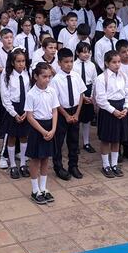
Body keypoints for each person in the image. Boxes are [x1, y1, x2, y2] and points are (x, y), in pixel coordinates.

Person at [24, 62, 59, 204]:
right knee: (35, 159)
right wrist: (43, 131)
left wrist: (53, 129)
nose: (47, 79)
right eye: (44, 76)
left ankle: (43, 188)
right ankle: (34, 189)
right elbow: (29, 116)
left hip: (49, 126)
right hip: (37, 128)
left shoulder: (52, 91)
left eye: (49, 76)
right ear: (36, 76)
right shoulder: (31, 94)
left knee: (45, 158)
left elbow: (55, 110)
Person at [94, 50, 128, 178]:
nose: (117, 65)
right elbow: (101, 99)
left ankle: (114, 164)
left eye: (119, 62)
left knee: (117, 139)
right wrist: (113, 111)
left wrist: (126, 108)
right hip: (108, 110)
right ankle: (106, 165)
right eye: (114, 62)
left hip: (121, 109)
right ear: (106, 63)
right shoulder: (101, 78)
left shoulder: (123, 76)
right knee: (106, 139)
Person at [49, 48, 85, 180]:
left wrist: (76, 113)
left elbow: (81, 94)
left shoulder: (76, 76)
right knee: (58, 141)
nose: (69, 64)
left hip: (75, 111)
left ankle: (73, 165)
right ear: (59, 63)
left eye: (71, 61)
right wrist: (66, 115)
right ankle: (58, 167)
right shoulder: (56, 80)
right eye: (66, 62)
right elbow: (55, 101)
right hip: (61, 113)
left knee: (74, 140)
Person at [0, 49, 32, 179]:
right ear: (12, 63)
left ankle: (23, 163)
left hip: (25, 107)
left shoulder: (27, 73)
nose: (21, 64)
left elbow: (30, 92)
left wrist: (26, 111)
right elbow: (5, 96)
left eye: (23, 61)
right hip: (12, 108)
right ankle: (13, 164)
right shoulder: (7, 75)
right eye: (18, 61)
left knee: (24, 136)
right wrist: (14, 113)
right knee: (12, 137)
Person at [0, 28, 15, 169]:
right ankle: (4, 155)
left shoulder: (18, 50)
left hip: (19, 95)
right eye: (6, 37)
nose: (9, 40)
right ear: (1, 39)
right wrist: (7, 69)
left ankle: (17, 151)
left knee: (21, 129)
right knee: (8, 125)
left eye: (11, 37)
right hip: (6, 90)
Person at [74, 42, 97, 153]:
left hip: (88, 90)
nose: (86, 54)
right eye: (83, 52)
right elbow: (74, 82)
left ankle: (86, 143)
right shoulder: (74, 65)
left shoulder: (91, 65)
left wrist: (91, 96)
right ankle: (75, 143)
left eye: (88, 52)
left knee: (87, 120)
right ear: (78, 53)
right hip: (77, 92)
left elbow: (94, 81)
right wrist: (82, 97)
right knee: (77, 119)